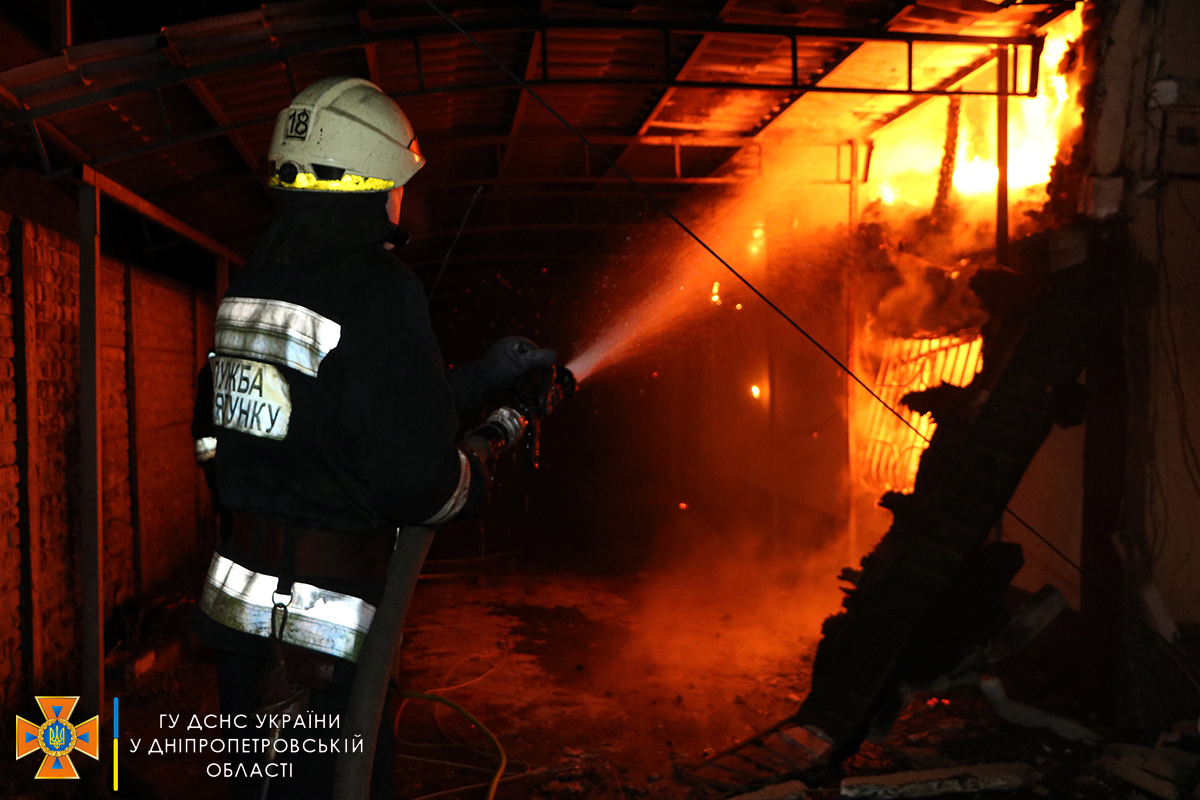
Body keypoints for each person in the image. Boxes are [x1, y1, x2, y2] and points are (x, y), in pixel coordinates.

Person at [191, 76, 555, 799]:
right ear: (369, 179)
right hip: (320, 633)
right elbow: (414, 479)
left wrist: (480, 379)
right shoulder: (379, 288)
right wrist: (475, 475)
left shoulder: (252, 286)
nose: (402, 198)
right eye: (398, 182)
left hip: (238, 612)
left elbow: (249, 433)